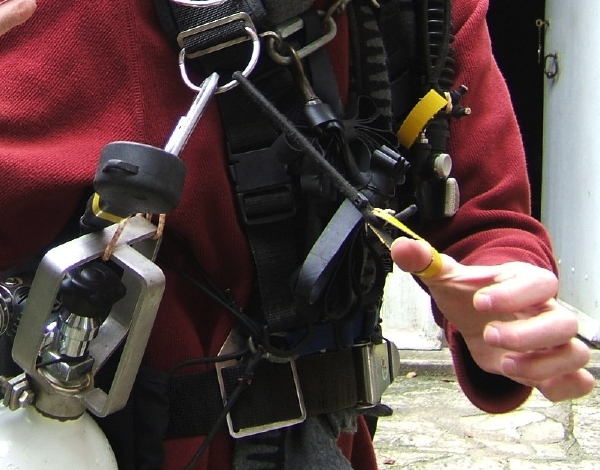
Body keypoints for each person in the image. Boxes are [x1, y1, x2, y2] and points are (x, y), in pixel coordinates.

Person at [0, 0, 594, 469]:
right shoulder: (40, 18)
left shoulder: (419, 14)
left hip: (325, 445)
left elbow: (486, 218)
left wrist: (504, 300)